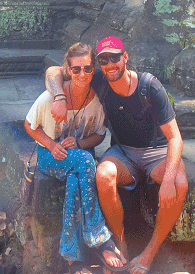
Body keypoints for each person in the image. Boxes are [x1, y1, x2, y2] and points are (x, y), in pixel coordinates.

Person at [47, 36, 188, 274]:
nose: (110, 64)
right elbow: (53, 71)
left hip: (156, 152)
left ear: (125, 57)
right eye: (104, 60)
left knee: (179, 183)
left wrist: (167, 182)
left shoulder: (149, 86)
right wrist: (59, 97)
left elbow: (175, 138)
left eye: (114, 58)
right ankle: (120, 244)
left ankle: (149, 253)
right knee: (103, 174)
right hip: (123, 152)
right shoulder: (99, 79)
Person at [25, 43, 128, 274]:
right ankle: (101, 240)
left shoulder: (96, 100)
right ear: (68, 70)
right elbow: (29, 126)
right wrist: (51, 144)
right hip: (50, 155)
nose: (82, 74)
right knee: (85, 162)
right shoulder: (50, 99)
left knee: (76, 178)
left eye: (88, 69)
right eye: (76, 69)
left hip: (81, 155)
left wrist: (80, 143)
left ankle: (74, 259)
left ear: (94, 70)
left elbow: (99, 134)